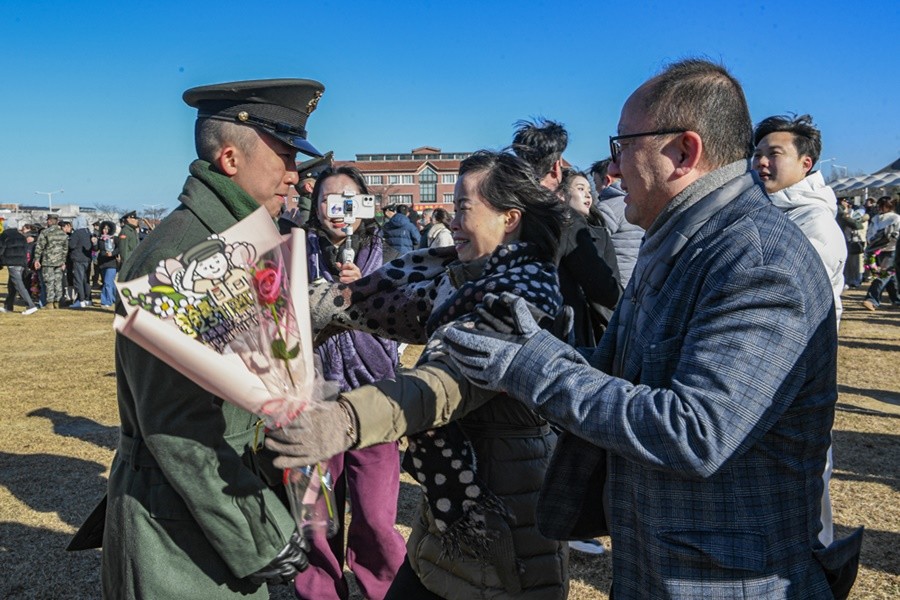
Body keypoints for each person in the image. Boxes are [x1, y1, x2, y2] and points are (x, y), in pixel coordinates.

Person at [443, 59, 862, 599]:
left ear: (683, 153)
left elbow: (696, 431)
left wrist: (532, 367)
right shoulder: (685, 239)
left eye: (622, 146)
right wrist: (536, 343)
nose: (613, 167)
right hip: (663, 567)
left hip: (723, 583)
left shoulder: (756, 259)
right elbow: (623, 373)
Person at [268, 150, 570, 600]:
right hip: (450, 510)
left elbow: (444, 385)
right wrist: (291, 304)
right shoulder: (455, 281)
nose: (452, 218)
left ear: (509, 218)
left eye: (464, 207)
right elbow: (374, 302)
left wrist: (346, 420)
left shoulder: (522, 297)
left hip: (501, 517)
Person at [69, 79, 325, 599]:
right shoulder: (181, 258)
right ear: (231, 159)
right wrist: (256, 536)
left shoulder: (240, 240)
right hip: (181, 526)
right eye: (285, 157)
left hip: (219, 507)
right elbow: (178, 426)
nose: (296, 177)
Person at [292, 165, 405, 600]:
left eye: (347, 200)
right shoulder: (293, 254)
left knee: (376, 516)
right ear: (314, 205)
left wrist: (368, 292)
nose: (337, 210)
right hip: (311, 401)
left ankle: (387, 590)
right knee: (315, 518)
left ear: (365, 205)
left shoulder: (392, 258)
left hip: (374, 399)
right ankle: (321, 592)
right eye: (327, 199)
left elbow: (406, 324)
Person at [556, 168, 621, 347]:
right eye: (580, 188)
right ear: (561, 195)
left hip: (596, 328)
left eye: (589, 190)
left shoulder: (602, 235)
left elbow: (612, 285)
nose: (588, 195)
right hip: (565, 326)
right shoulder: (553, 233)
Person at [590, 158, 643, 286]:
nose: (595, 189)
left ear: (607, 180)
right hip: (638, 276)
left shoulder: (607, 206)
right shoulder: (639, 202)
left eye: (596, 182)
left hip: (617, 279)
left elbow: (594, 243)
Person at [861, 196, 900, 310]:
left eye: (883, 206)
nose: (881, 208)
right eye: (880, 206)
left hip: (892, 250)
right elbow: (870, 232)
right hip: (877, 250)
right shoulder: (876, 218)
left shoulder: (896, 218)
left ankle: (871, 299)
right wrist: (872, 240)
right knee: (891, 277)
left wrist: (891, 237)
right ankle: (896, 299)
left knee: (884, 275)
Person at [0, 218, 39, 315]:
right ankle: (8, 306)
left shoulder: (4, 235)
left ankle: (31, 306)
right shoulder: (21, 236)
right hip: (21, 263)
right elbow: (26, 250)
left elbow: (1, 249)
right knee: (12, 285)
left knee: (18, 285)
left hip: (12, 262)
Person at [33, 213, 69, 309]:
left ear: (49, 221)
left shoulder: (45, 233)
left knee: (49, 282)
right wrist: (63, 261)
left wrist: (36, 259)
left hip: (48, 261)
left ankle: (49, 303)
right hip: (59, 262)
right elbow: (65, 250)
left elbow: (39, 247)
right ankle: (57, 301)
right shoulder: (63, 234)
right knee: (58, 282)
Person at [837, 198, 866, 288]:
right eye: (846, 202)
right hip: (845, 240)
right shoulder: (841, 212)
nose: (847, 204)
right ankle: (852, 280)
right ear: (842, 202)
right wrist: (861, 220)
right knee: (852, 262)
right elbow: (857, 225)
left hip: (840, 239)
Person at [67, 216, 94, 308]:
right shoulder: (88, 232)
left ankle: (80, 300)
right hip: (87, 259)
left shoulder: (77, 233)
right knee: (86, 280)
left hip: (78, 259)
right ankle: (88, 299)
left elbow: (72, 245)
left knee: (78, 280)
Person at [96, 221, 119, 307]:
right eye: (103, 228)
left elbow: (119, 249)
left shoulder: (115, 238)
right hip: (102, 263)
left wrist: (112, 254)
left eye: (107, 229)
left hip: (111, 263)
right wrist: (94, 242)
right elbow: (96, 249)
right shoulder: (100, 239)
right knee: (110, 283)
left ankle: (106, 301)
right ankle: (113, 299)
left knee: (107, 283)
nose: (105, 230)